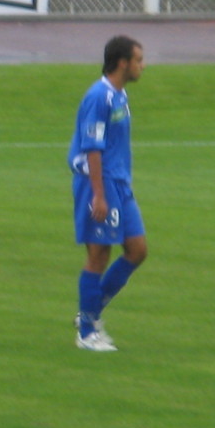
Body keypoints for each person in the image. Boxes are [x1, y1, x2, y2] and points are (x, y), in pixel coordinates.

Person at [67, 35, 149, 351]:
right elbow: (92, 148)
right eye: (139, 60)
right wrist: (98, 196)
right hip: (98, 184)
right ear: (122, 62)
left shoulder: (119, 96)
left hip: (119, 185)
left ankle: (90, 311)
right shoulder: (99, 97)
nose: (143, 66)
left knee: (137, 250)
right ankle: (87, 333)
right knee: (98, 255)